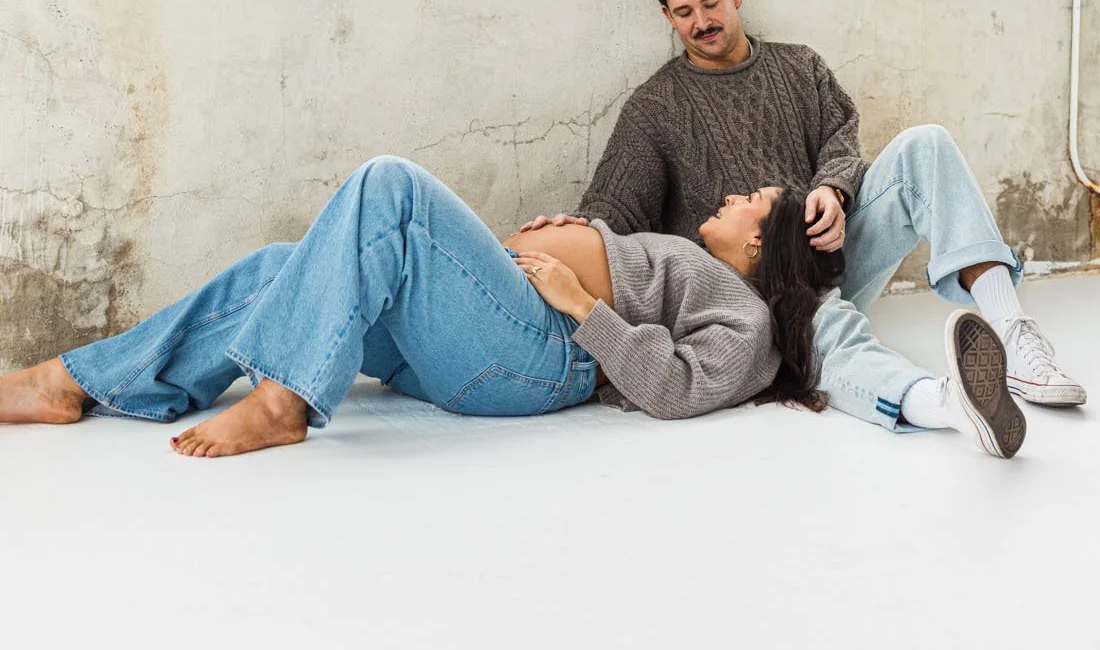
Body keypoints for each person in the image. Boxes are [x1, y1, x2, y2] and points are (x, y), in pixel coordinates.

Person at [0, 153, 1022, 459]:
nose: (733, 196)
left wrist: (580, 296)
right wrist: (552, 241)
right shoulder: (675, 247)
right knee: (285, 256)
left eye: (748, 201)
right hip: (494, 332)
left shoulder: (744, 315)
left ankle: (287, 397)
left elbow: (673, 388)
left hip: (537, 359)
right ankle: (74, 380)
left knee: (386, 184)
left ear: (763, 244)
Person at [519, 0, 1085, 452]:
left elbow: (843, 141)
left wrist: (833, 192)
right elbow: (613, 210)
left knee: (926, 144)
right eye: (684, 12)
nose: (701, 22)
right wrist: (569, 231)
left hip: (832, 250)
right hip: (755, 291)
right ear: (668, 16)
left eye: (710, 3)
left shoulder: (800, 67)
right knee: (823, 326)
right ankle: (938, 401)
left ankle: (1014, 334)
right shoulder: (655, 108)